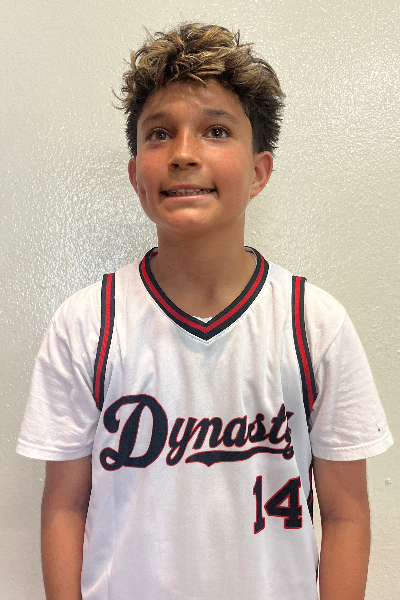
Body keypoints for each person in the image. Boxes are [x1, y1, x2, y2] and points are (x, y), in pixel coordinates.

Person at [17, 23, 393, 600]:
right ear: (135, 174)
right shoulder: (87, 322)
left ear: (259, 171)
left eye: (216, 131)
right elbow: (65, 507)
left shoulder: (313, 324)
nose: (184, 154)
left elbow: (346, 517)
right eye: (159, 134)